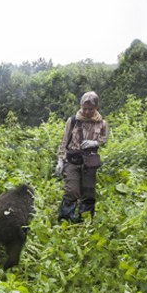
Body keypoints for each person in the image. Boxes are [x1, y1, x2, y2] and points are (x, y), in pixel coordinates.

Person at [55, 91, 109, 223]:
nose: (86, 112)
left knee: (89, 192)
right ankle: (65, 220)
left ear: (96, 107)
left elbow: (104, 139)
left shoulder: (102, 123)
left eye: (90, 109)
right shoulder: (72, 121)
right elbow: (64, 141)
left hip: (89, 161)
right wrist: (60, 160)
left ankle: (84, 221)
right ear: (80, 105)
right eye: (84, 108)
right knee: (72, 190)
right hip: (72, 160)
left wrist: (95, 142)